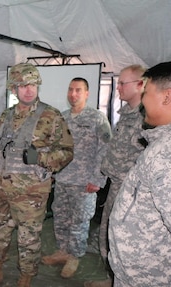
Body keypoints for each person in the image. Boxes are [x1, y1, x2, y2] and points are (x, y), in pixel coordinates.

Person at [0, 63, 74, 287]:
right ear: (14, 89)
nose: (29, 90)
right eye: (23, 85)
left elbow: (67, 152)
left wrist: (42, 159)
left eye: (33, 85)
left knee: (28, 238)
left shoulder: (51, 115)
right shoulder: (5, 115)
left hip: (32, 193)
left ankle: (26, 278)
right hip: (5, 187)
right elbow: (2, 145)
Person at [108, 61, 171, 287]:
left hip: (149, 276)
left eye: (147, 92)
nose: (143, 101)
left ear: (167, 97)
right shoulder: (161, 143)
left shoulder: (167, 153)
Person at [42, 78, 112, 278]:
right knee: (61, 217)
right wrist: (53, 173)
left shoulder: (96, 118)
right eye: (71, 89)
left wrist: (98, 180)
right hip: (63, 179)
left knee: (79, 220)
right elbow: (55, 148)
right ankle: (63, 251)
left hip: (84, 182)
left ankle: (75, 256)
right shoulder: (62, 118)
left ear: (87, 93)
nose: (73, 94)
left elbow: (105, 149)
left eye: (78, 90)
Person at [84, 65, 146, 287]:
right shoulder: (127, 115)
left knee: (125, 241)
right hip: (116, 186)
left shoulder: (147, 119)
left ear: (140, 85)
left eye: (122, 83)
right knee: (108, 236)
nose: (117, 87)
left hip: (134, 193)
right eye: (118, 83)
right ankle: (112, 279)